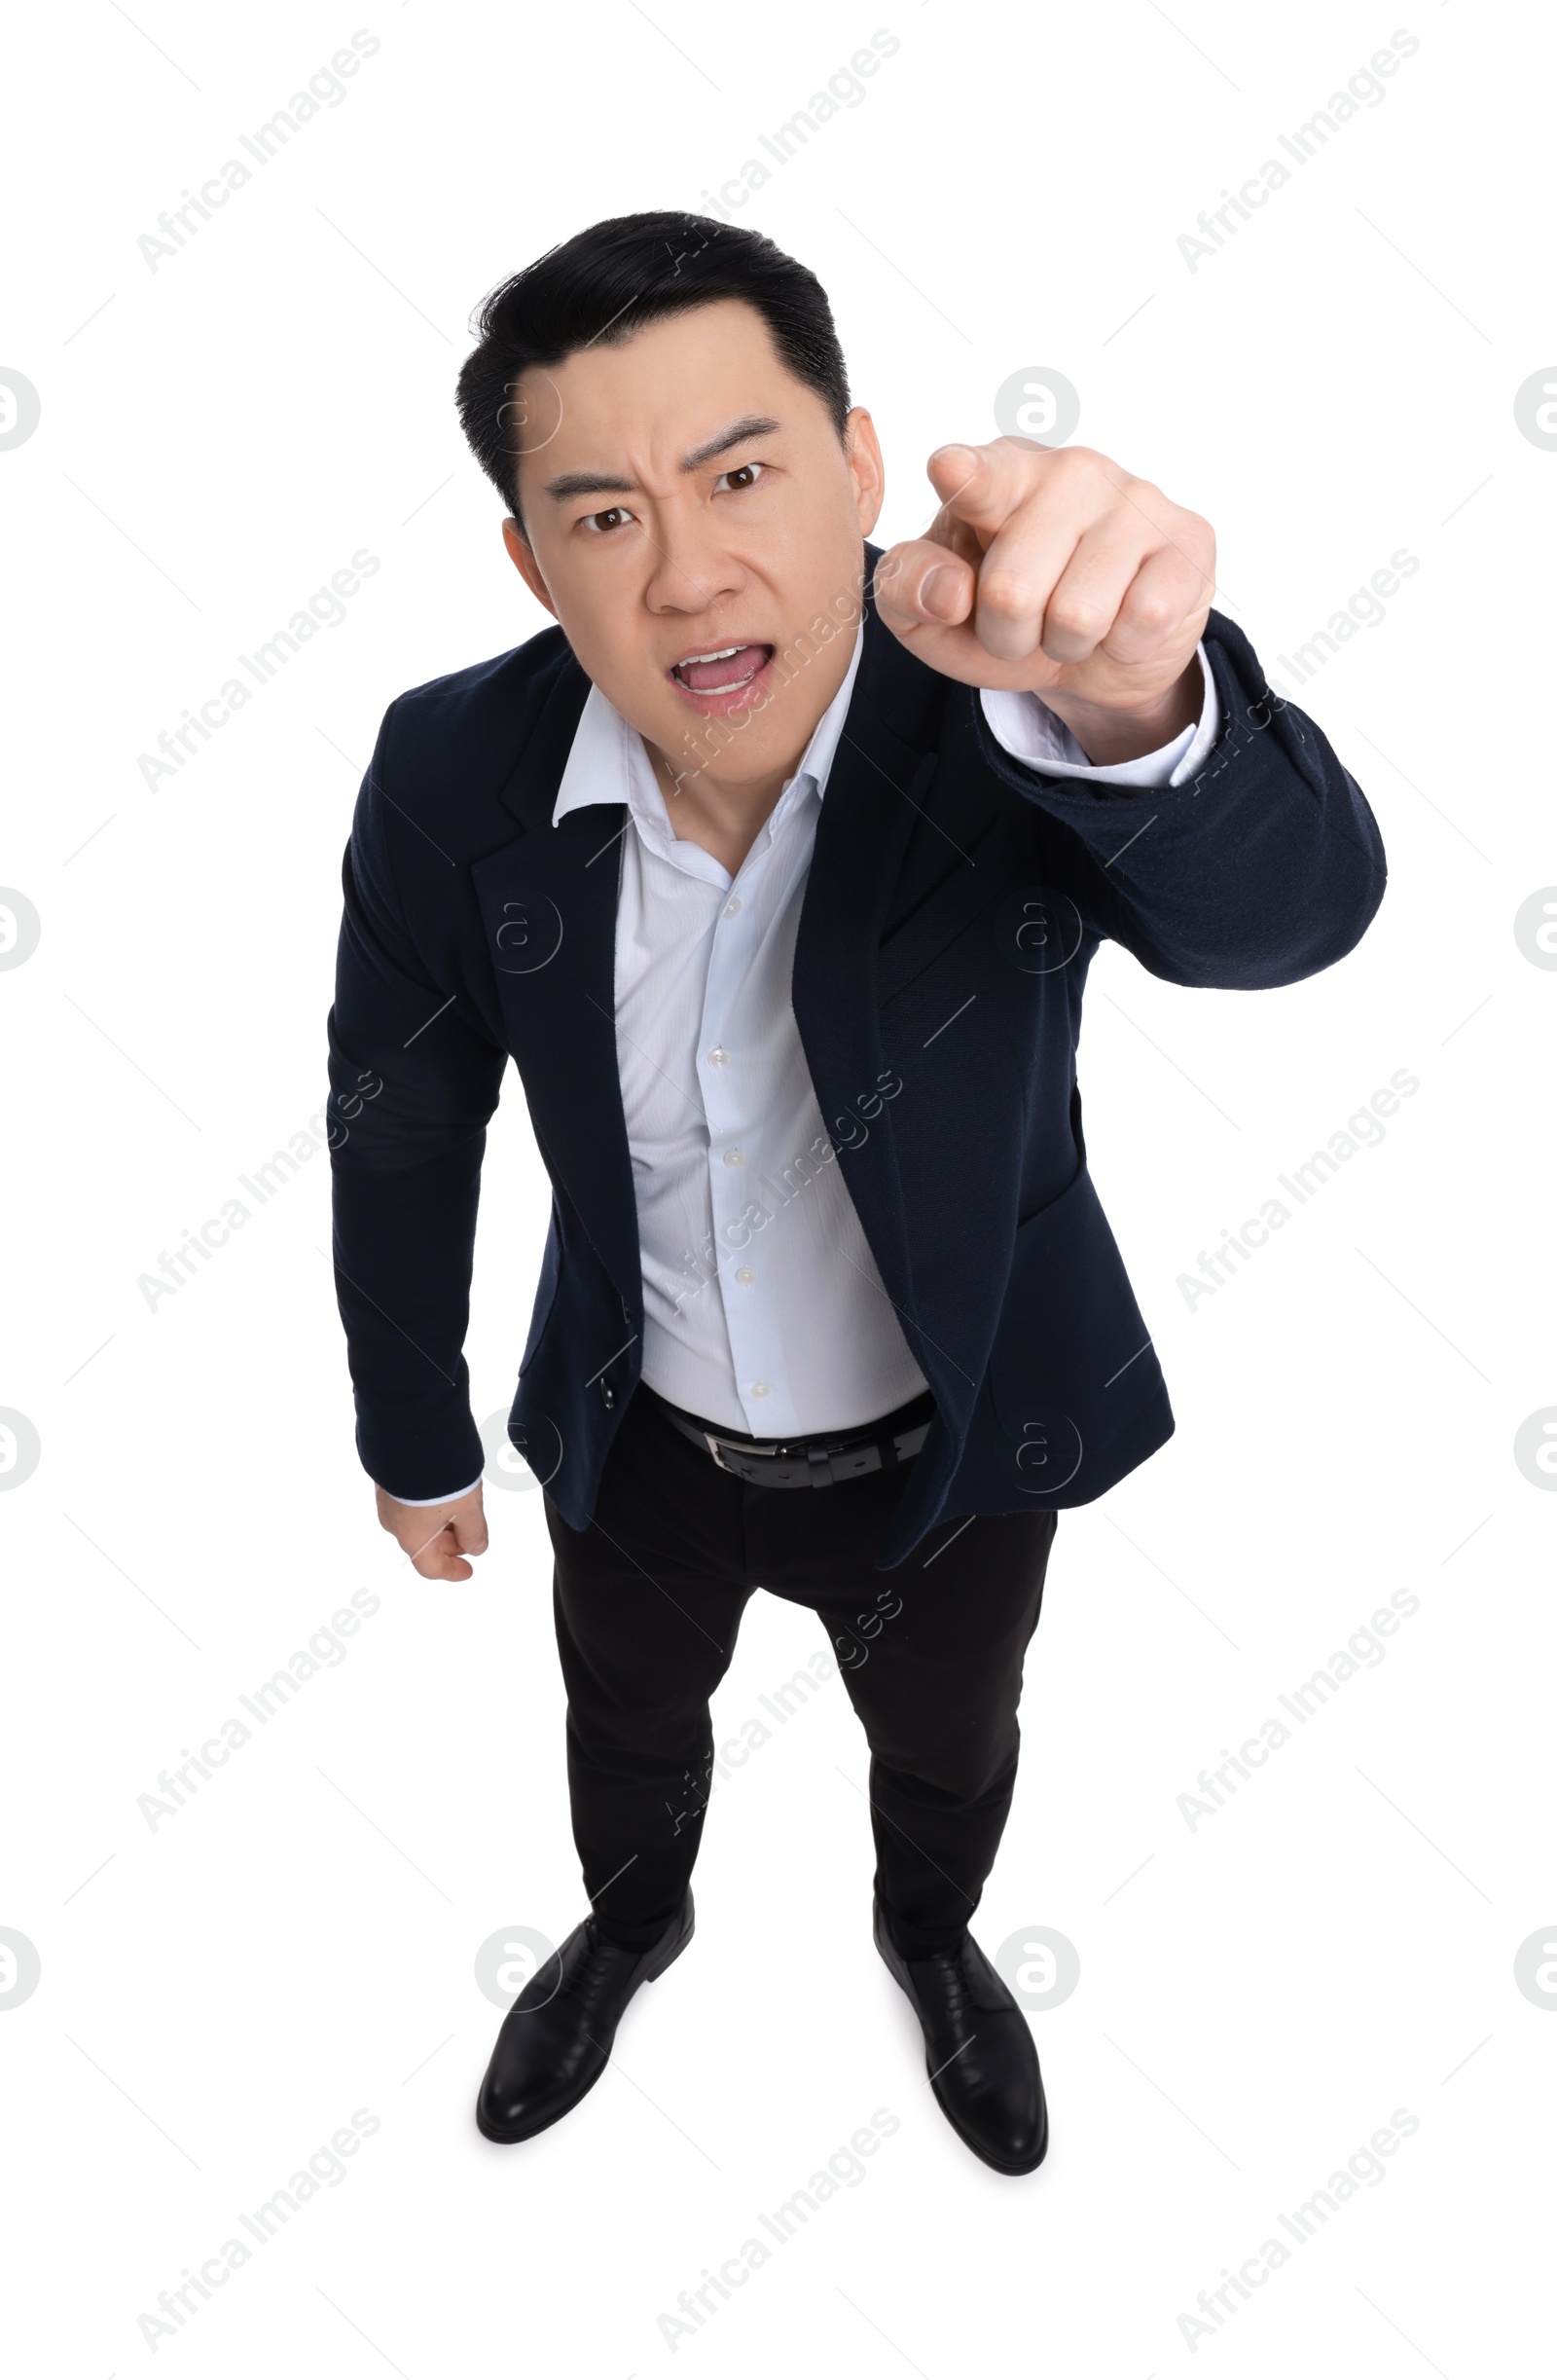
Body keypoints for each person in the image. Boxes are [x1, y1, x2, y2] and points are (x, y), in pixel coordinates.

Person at [326, 210, 1386, 2176]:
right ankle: (631, 1924)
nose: (693, 567)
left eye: (741, 473)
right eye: (603, 512)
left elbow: (1288, 918)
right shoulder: (449, 770)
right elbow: (397, 1117)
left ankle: (932, 1935)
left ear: (860, 466)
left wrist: (1141, 705)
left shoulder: (1010, 706)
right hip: (634, 1426)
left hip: (952, 1434)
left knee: (947, 1740)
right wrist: (411, 1428)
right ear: (530, 557)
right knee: (625, 1724)